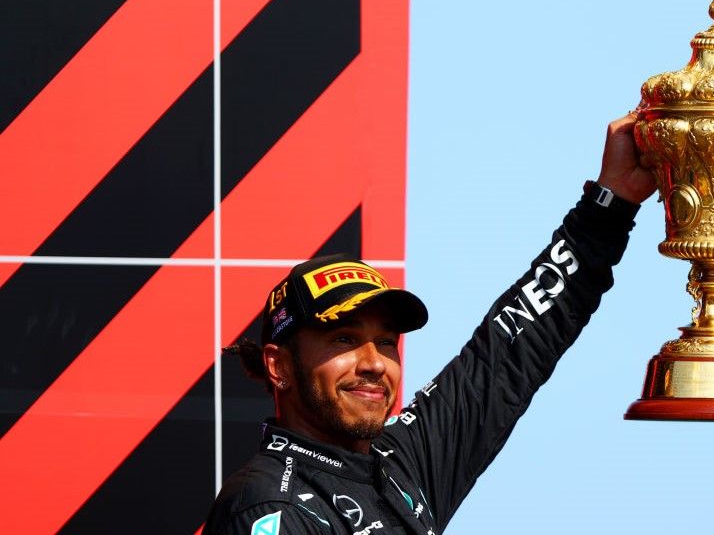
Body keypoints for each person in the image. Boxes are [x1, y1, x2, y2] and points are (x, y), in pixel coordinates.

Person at [202, 113, 656, 534]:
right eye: (344, 338)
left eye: (385, 341)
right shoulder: (267, 507)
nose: (375, 363)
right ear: (279, 366)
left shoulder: (401, 461)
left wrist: (610, 205)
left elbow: (509, 348)